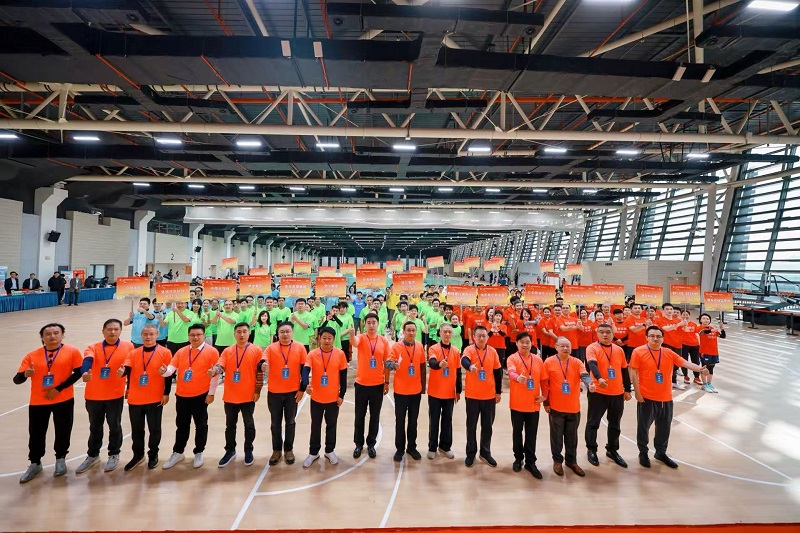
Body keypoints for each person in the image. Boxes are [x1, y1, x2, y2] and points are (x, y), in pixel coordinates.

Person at [629, 325, 709, 469]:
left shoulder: (668, 352)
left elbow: (684, 362)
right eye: (652, 336)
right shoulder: (638, 351)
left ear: (662, 338)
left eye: (658, 336)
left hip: (666, 397)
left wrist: (699, 369)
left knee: (664, 427)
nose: (655, 338)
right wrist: (637, 392)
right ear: (647, 337)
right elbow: (633, 371)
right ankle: (643, 452)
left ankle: (660, 452)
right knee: (643, 427)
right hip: (647, 397)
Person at [13, 323, 83, 483]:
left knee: (63, 430)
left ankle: (61, 459)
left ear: (62, 335)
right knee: (36, 433)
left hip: (63, 399)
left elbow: (78, 372)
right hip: (38, 401)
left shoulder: (72, 351)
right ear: (42, 337)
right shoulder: (32, 355)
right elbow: (17, 379)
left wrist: (58, 389)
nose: (52, 336)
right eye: (48, 334)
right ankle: (35, 463)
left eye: (56, 333)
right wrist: (24, 375)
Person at [75, 319, 135, 474]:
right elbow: (87, 360)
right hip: (93, 395)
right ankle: (92, 455)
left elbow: (130, 367)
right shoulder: (93, 347)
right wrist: (84, 372)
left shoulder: (128, 347)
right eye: (109, 329)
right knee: (95, 427)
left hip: (115, 395)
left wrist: (128, 382)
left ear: (120, 331)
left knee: (114, 426)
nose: (112, 332)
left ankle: (114, 454)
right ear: (103, 331)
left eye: (116, 329)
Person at [159, 324, 220, 469]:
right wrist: (164, 371)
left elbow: (215, 375)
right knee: (181, 425)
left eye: (198, 335)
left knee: (201, 425)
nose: (195, 337)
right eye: (192, 335)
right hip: (182, 395)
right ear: (188, 336)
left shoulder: (212, 352)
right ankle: (178, 452)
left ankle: (199, 452)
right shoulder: (181, 351)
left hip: (201, 395)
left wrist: (211, 393)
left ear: (204, 335)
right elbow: (171, 369)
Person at [209, 323, 264, 467]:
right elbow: (220, 365)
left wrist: (257, 391)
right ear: (234, 334)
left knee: (249, 425)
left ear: (249, 333)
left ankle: (248, 450)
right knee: (230, 426)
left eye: (244, 331)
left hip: (248, 396)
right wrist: (214, 371)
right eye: (238, 332)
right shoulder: (228, 351)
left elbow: (260, 372)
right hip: (230, 396)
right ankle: (230, 450)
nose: (242, 334)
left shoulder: (256, 350)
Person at [120, 324, 172, 471]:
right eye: (145, 334)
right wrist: (123, 376)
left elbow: (168, 375)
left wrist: (166, 393)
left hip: (155, 397)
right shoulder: (134, 353)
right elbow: (127, 370)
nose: (148, 337)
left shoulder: (165, 352)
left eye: (151, 334)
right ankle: (138, 455)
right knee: (137, 430)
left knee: (154, 429)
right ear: (141, 335)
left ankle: (153, 455)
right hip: (135, 398)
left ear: (157, 335)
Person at [542, 336, 595, 477]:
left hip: (573, 407)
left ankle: (571, 461)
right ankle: (557, 461)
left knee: (572, 437)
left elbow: (584, 375)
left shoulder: (577, 362)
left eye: (568, 346)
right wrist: (546, 402)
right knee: (556, 437)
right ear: (556, 347)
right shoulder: (549, 362)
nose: (565, 348)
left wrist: (589, 383)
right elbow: (545, 383)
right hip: (556, 407)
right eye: (562, 346)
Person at [584, 323, 631, 469]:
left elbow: (624, 370)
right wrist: (599, 378)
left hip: (617, 393)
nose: (605, 335)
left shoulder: (619, 350)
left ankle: (612, 450)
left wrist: (627, 389)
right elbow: (592, 364)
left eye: (608, 332)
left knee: (615, 424)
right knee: (593, 423)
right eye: (602, 332)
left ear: (613, 334)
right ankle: (591, 449)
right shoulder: (592, 348)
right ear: (597, 333)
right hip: (598, 392)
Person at [301, 326, 348, 467]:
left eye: (329, 338)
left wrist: (342, 394)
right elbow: (305, 371)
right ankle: (313, 452)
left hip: (333, 398)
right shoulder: (312, 354)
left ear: (334, 339)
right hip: (316, 398)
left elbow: (343, 376)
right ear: (319, 339)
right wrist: (305, 385)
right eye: (324, 338)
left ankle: (329, 450)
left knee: (331, 425)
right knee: (315, 426)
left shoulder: (340, 354)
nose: (327, 341)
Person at [262, 321, 308, 465]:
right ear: (277, 334)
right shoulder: (271, 348)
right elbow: (263, 360)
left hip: (292, 393)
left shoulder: (300, 347)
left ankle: (289, 449)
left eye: (288, 331)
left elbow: (304, 371)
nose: (285, 334)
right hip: (274, 392)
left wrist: (302, 389)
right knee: (275, 423)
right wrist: (262, 365)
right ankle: (276, 450)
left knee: (290, 422)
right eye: (282, 332)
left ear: (292, 333)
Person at [505, 332, 546, 479]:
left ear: (531, 343)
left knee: (531, 434)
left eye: (527, 342)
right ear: (516, 343)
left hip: (533, 404)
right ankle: (518, 458)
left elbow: (544, 380)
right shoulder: (512, 358)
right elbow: (511, 372)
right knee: (517, 433)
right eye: (521, 342)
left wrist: (545, 396)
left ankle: (530, 462)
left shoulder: (538, 360)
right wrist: (518, 378)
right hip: (517, 404)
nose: (525, 345)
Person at [460, 325, 502, 467]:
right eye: (479, 335)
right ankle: (471, 453)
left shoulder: (493, 351)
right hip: (472, 395)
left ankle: (485, 452)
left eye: (484, 335)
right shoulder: (469, 350)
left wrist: (498, 392)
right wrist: (469, 366)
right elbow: (464, 360)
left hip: (489, 396)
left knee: (487, 426)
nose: (481, 338)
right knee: (471, 426)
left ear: (488, 337)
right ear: (474, 337)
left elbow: (498, 372)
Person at [351, 313, 390, 459]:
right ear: (365, 324)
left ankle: (371, 443)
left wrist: (387, 382)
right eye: (369, 322)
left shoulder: (383, 341)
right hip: (361, 384)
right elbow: (354, 342)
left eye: (374, 322)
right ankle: (358, 444)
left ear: (378, 324)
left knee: (375, 416)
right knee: (359, 415)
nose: (371, 325)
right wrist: (351, 335)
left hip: (377, 385)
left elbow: (387, 363)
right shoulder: (361, 338)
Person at [387, 321, 427, 462]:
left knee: (413, 421)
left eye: (413, 330)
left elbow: (423, 367)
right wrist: (393, 365)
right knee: (400, 421)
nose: (411, 332)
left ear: (416, 332)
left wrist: (423, 388)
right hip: (401, 391)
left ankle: (411, 447)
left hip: (415, 391)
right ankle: (399, 449)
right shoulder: (397, 346)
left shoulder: (420, 346)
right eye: (408, 330)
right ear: (403, 332)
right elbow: (387, 363)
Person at [426, 322, 461, 460]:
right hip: (435, 392)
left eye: (449, 332)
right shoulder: (433, 348)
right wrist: (439, 364)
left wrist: (458, 390)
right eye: (444, 331)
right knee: (434, 420)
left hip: (449, 392)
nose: (447, 334)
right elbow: (432, 363)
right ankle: (432, 447)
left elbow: (458, 371)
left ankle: (445, 446)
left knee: (447, 420)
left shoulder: (456, 351)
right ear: (439, 333)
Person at [698, 313, 726, 393]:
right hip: (704, 352)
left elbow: (722, 336)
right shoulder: (700, 328)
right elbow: (702, 332)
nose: (706, 320)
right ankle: (704, 384)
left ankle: (709, 383)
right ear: (700, 320)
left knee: (711, 367)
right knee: (704, 368)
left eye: (707, 319)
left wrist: (722, 329)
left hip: (714, 352)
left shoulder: (712, 328)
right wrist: (711, 330)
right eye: (704, 318)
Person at [680, 310, 702, 386]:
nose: (685, 316)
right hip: (683, 345)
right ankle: (685, 376)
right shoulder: (679, 324)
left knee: (696, 361)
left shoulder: (694, 324)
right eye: (683, 314)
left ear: (689, 316)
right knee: (684, 361)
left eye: (687, 314)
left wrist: (699, 344)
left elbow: (697, 334)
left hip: (694, 345)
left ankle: (696, 377)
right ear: (681, 315)